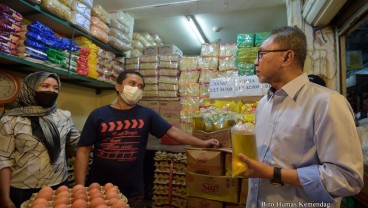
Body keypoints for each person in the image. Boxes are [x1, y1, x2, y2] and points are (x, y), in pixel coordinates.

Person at [238, 26, 364, 208]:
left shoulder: (327, 102)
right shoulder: (263, 105)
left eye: (261, 54)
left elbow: (346, 178)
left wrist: (273, 173)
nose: (256, 63)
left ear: (287, 57)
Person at [74, 70, 219, 208]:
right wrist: (79, 187)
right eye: (132, 84)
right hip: (98, 188)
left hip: (132, 189)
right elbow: (83, 150)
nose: (136, 88)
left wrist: (203, 143)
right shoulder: (98, 114)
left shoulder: (147, 114)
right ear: (118, 86)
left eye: (140, 86)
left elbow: (173, 131)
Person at [0, 71, 80, 208]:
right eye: (45, 86)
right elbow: (3, 160)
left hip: (59, 186)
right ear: (30, 88)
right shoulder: (11, 120)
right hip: (22, 190)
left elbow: (78, 145)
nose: (51, 91)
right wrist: (5, 198)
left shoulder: (63, 116)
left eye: (56, 88)